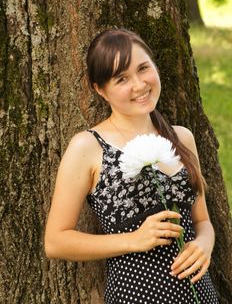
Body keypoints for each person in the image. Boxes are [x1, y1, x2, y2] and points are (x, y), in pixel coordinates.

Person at [45, 28, 219, 303]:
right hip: (135, 294)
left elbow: (202, 221)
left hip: (200, 294)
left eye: (143, 69)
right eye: (122, 78)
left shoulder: (181, 137)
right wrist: (134, 239)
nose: (139, 85)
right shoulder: (87, 147)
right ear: (101, 90)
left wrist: (204, 244)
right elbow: (55, 242)